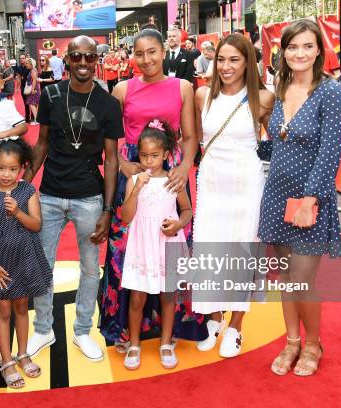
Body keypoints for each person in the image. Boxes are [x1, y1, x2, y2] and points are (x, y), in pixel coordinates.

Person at [99, 28, 205, 352]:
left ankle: (168, 330)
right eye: (139, 53)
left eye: (152, 52)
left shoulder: (183, 87)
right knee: (124, 250)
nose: (146, 60)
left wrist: (185, 167)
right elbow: (108, 141)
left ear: (163, 51)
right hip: (133, 172)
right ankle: (122, 329)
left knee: (169, 245)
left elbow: (189, 136)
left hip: (171, 172)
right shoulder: (121, 89)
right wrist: (123, 164)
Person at [23, 35, 123, 362]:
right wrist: (24, 187)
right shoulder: (52, 95)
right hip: (50, 195)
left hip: (90, 198)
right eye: (76, 57)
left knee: (90, 268)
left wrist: (107, 209)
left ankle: (82, 330)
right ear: (67, 61)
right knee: (42, 265)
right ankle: (43, 329)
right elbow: (41, 145)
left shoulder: (108, 104)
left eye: (89, 57)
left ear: (98, 61)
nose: (82, 63)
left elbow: (111, 160)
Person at [258, 20, 341, 377]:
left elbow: (331, 151)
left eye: (308, 46)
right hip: (276, 194)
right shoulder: (279, 87)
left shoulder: (330, 92)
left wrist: (311, 197)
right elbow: (276, 141)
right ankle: (292, 341)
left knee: (301, 278)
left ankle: (313, 343)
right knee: (284, 276)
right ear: (284, 51)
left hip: (311, 198)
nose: (300, 54)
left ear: (318, 50)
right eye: (293, 47)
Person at [192, 34, 275, 356]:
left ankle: (236, 326)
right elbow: (197, 139)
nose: (226, 67)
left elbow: (276, 142)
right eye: (221, 60)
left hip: (246, 185)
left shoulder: (264, 99)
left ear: (248, 63)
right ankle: (214, 318)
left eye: (234, 60)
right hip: (212, 182)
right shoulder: (202, 95)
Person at [0, 138, 52, 388]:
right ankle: (7, 361)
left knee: (21, 308)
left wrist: (18, 212)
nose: (7, 174)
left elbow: (36, 225)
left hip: (25, 258)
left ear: (21, 169)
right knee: (3, 311)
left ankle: (23, 353)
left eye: (13, 169)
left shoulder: (27, 191)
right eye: (1, 168)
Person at [121, 120, 192, 370]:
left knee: (168, 295)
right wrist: (136, 189)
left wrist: (178, 224)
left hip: (166, 243)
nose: (149, 161)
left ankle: (165, 343)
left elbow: (187, 210)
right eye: (143, 155)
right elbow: (126, 216)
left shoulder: (174, 180)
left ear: (165, 154)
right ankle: (134, 344)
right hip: (142, 245)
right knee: (137, 297)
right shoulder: (135, 180)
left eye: (155, 155)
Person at [15, 54, 32, 122]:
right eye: (20, 58)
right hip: (23, 86)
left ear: (25, 58)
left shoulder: (28, 66)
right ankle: (27, 117)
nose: (21, 59)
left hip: (30, 85)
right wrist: (17, 87)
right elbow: (18, 77)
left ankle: (33, 116)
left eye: (23, 58)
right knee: (25, 102)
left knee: (32, 101)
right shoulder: (19, 68)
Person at [24, 58, 41, 125]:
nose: (26, 65)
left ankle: (37, 120)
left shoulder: (33, 71)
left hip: (33, 88)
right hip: (34, 88)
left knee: (31, 104)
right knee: (34, 104)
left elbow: (34, 80)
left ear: (31, 64)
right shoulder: (33, 70)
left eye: (27, 64)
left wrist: (33, 89)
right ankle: (37, 119)